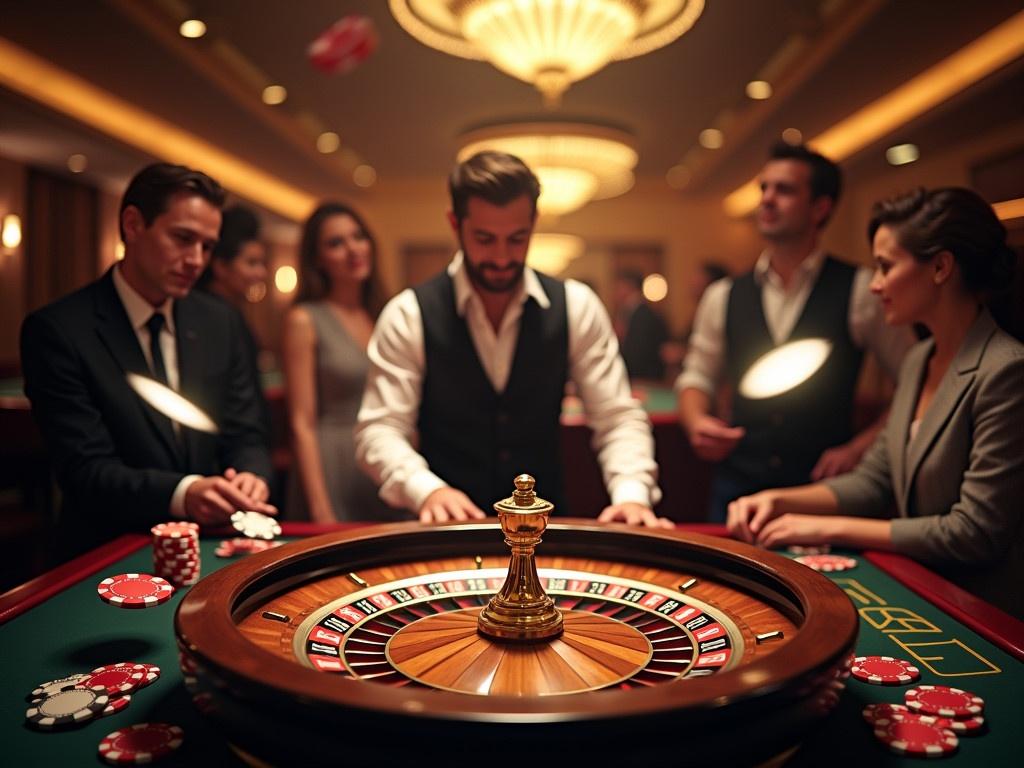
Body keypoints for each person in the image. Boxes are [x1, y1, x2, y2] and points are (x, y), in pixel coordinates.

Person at [727, 187, 1024, 619]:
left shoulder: (1006, 370)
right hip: (928, 588)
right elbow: (873, 481)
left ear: (940, 267)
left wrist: (826, 527)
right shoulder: (919, 359)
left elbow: (973, 532)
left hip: (988, 614)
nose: (875, 284)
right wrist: (780, 499)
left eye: (885, 267)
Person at [355, 151, 666, 527]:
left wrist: (632, 495)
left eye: (517, 239)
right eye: (485, 239)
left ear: (533, 224)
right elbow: (380, 429)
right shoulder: (408, 313)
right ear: (455, 224)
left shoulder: (576, 306)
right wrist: (427, 490)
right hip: (443, 529)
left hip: (544, 532)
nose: (502, 257)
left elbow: (616, 418)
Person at [20, 163, 275, 561]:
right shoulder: (58, 330)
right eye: (183, 238)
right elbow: (85, 472)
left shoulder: (220, 320)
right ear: (133, 225)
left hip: (212, 548)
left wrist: (251, 475)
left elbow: (247, 433)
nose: (196, 260)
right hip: (105, 552)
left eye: (207, 246)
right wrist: (184, 493)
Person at [676, 143, 915, 522]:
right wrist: (696, 421)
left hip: (822, 490)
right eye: (764, 188)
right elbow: (696, 376)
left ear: (821, 207)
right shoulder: (723, 295)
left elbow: (914, 383)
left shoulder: (862, 289)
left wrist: (859, 449)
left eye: (784, 190)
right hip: (737, 485)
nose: (767, 199)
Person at [281, 203, 393, 522]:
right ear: (317, 259)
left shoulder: (383, 313)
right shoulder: (305, 319)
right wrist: (320, 507)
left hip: (381, 461)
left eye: (358, 237)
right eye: (335, 243)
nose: (352, 249)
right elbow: (301, 423)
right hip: (332, 464)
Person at [195, 204, 271, 437]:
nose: (262, 273)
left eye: (261, 263)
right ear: (220, 266)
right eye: (251, 263)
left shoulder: (231, 313)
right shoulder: (209, 318)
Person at [612, 269, 670, 381]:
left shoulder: (643, 315)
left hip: (645, 379)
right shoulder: (630, 312)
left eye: (618, 287)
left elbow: (638, 352)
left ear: (628, 286)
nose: (615, 292)